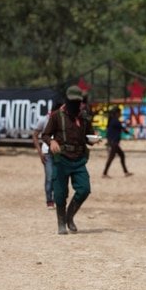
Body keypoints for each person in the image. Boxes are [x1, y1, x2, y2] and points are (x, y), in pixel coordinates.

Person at [41, 86, 98, 235]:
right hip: (61, 159)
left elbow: (89, 136)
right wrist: (51, 142)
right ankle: (61, 222)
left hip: (79, 160)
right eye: (72, 101)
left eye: (77, 102)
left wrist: (94, 139)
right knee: (60, 193)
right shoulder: (56, 116)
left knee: (84, 189)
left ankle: (69, 216)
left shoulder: (84, 118)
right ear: (67, 100)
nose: (75, 104)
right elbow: (45, 135)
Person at [32, 105, 58, 209]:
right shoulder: (44, 120)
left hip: (59, 152)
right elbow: (35, 135)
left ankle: (57, 199)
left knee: (58, 177)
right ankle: (49, 201)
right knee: (49, 176)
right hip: (47, 152)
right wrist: (39, 152)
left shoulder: (62, 119)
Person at [102, 105, 133, 178]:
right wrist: (130, 133)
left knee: (121, 155)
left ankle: (126, 172)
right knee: (111, 158)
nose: (120, 114)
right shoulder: (115, 121)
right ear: (116, 113)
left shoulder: (113, 120)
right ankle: (104, 173)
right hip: (114, 143)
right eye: (119, 113)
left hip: (113, 143)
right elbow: (123, 129)